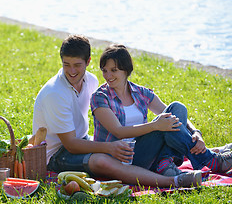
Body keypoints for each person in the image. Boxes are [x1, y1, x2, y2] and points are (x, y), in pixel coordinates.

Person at [32, 34, 202, 188]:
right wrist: (109, 147)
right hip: (56, 154)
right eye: (66, 65)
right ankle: (174, 181)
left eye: (77, 65)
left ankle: (201, 157)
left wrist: (195, 131)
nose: (72, 71)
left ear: (88, 61)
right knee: (102, 161)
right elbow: (70, 145)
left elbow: (165, 111)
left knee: (173, 114)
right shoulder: (55, 93)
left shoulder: (90, 80)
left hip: (83, 140)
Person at [91, 44, 232, 176]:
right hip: (121, 159)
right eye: (105, 70)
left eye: (114, 70)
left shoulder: (140, 93)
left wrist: (196, 132)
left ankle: (164, 162)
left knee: (177, 107)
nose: (108, 76)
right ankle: (208, 159)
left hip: (147, 150)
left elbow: (176, 115)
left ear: (126, 69)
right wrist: (154, 126)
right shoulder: (100, 97)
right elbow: (118, 131)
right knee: (163, 125)